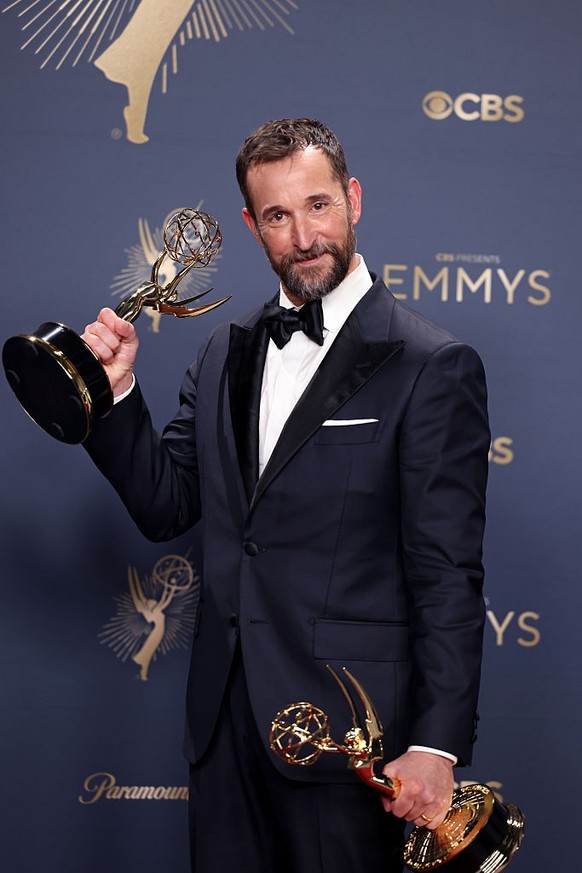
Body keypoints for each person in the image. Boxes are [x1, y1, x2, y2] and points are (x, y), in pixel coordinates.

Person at [81, 118, 490, 873]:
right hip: (224, 730)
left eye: (318, 206)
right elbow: (167, 505)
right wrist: (116, 397)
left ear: (354, 199)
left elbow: (446, 572)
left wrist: (436, 743)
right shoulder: (223, 347)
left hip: (354, 742)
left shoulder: (433, 364)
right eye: (277, 215)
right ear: (250, 224)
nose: (303, 236)